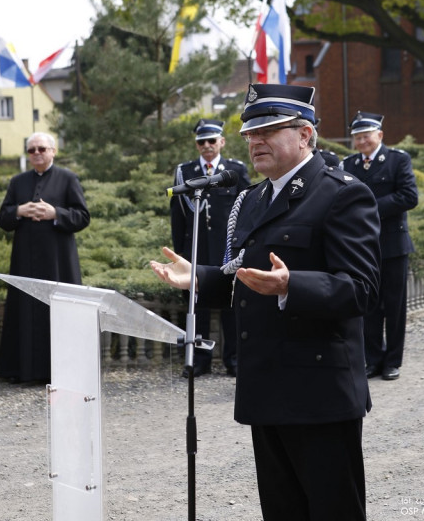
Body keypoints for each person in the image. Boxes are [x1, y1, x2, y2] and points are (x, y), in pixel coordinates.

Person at [153, 84, 381, 521]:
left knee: (333, 511)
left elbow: (362, 289)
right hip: (266, 386)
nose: (255, 141)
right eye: (250, 134)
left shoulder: (341, 193)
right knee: (282, 511)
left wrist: (292, 286)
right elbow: (245, 279)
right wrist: (198, 278)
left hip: (319, 392)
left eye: (268, 131)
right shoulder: (252, 198)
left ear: (305, 135)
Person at [0, 132, 90, 384]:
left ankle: (64, 372)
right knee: (25, 312)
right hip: (25, 262)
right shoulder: (18, 182)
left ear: (53, 151)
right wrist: (19, 210)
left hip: (58, 262)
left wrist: (55, 213)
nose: (36, 153)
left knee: (59, 313)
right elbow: (3, 219)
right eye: (31, 150)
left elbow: (83, 217)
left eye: (41, 149)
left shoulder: (68, 178)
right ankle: (23, 371)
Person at [341, 111, 418, 381]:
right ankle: (373, 359)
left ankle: (392, 361)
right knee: (369, 305)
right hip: (362, 247)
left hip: (393, 245)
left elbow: (409, 196)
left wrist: (369, 207)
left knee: (395, 306)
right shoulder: (349, 164)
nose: (361, 142)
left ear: (380, 135)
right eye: (357, 137)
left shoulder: (398, 160)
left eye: (366, 136)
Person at [170, 118, 251, 376]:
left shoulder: (234, 170)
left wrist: (243, 246)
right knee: (198, 306)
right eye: (201, 141)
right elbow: (177, 215)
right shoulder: (185, 172)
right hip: (197, 249)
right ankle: (199, 360)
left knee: (231, 305)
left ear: (222, 142)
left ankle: (234, 359)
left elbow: (248, 209)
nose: (206, 145)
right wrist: (179, 251)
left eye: (211, 140)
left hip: (228, 250)